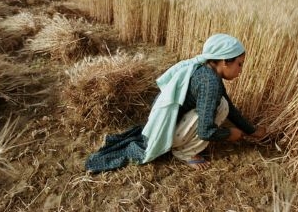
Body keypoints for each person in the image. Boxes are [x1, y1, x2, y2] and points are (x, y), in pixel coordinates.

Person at [85, 33, 267, 173]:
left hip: (168, 121)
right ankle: (185, 152)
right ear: (225, 62)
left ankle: (181, 141)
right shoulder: (210, 83)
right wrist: (229, 134)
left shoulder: (208, 72)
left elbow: (231, 108)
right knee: (220, 109)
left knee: (223, 106)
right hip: (168, 129)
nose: (241, 70)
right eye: (240, 64)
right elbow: (206, 131)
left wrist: (251, 130)